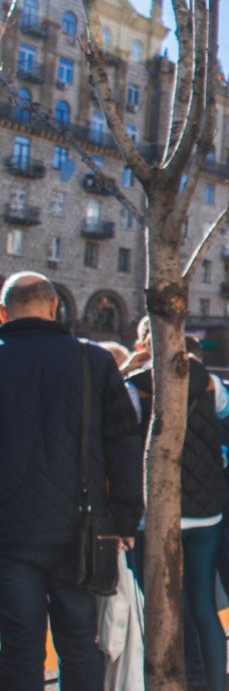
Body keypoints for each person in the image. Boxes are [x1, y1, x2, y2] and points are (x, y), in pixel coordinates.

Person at [0, 272, 143, 690]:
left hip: (10, 535)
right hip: (81, 532)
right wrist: (125, 518)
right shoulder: (93, 360)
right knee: (80, 643)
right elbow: (124, 444)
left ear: (4, 313)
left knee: (20, 647)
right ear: (54, 307)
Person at [125, 324, 229, 691]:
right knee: (203, 605)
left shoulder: (136, 385)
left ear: (146, 341)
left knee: (159, 606)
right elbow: (225, 411)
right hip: (207, 513)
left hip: (158, 513)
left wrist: (129, 366)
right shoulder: (208, 380)